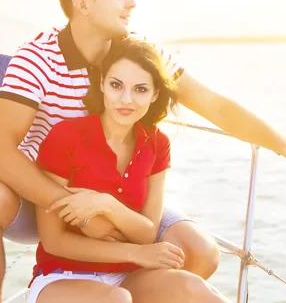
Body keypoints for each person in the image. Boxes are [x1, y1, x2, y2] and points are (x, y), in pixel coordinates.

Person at [0, 0, 286, 303]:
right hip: (42, 194)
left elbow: (216, 106)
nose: (132, 3)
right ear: (83, 4)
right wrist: (81, 212)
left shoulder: (138, 55)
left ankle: (118, 290)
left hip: (115, 198)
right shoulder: (36, 58)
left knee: (199, 253)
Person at [26, 36, 230, 303]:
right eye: (116, 85)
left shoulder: (158, 143)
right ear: (102, 85)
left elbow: (147, 232)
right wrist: (135, 253)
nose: (126, 100)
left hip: (128, 275)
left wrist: (107, 205)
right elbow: (54, 241)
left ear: (155, 93)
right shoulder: (66, 137)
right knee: (117, 300)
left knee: (197, 291)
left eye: (140, 89)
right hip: (63, 276)